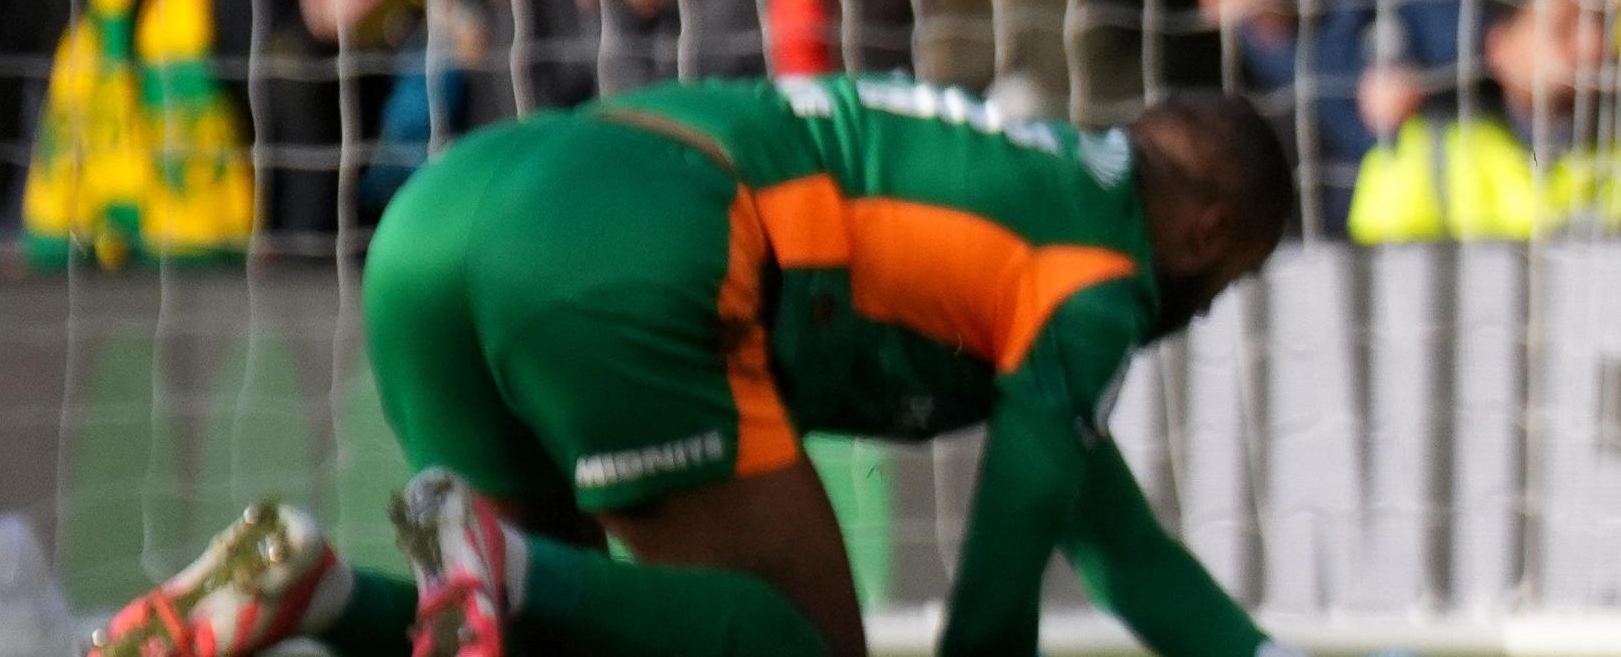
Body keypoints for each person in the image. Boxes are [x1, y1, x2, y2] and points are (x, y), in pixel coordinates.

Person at [93, 75, 1296, 657]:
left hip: (449, 208)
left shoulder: (1032, 194)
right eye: (1232, 276)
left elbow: (1114, 538)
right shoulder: (1104, 272)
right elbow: (994, 596)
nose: (1207, 304)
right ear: (1204, 232)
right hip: (627, 236)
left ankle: (312, 584)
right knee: (797, 649)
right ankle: (498, 560)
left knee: (552, 639)